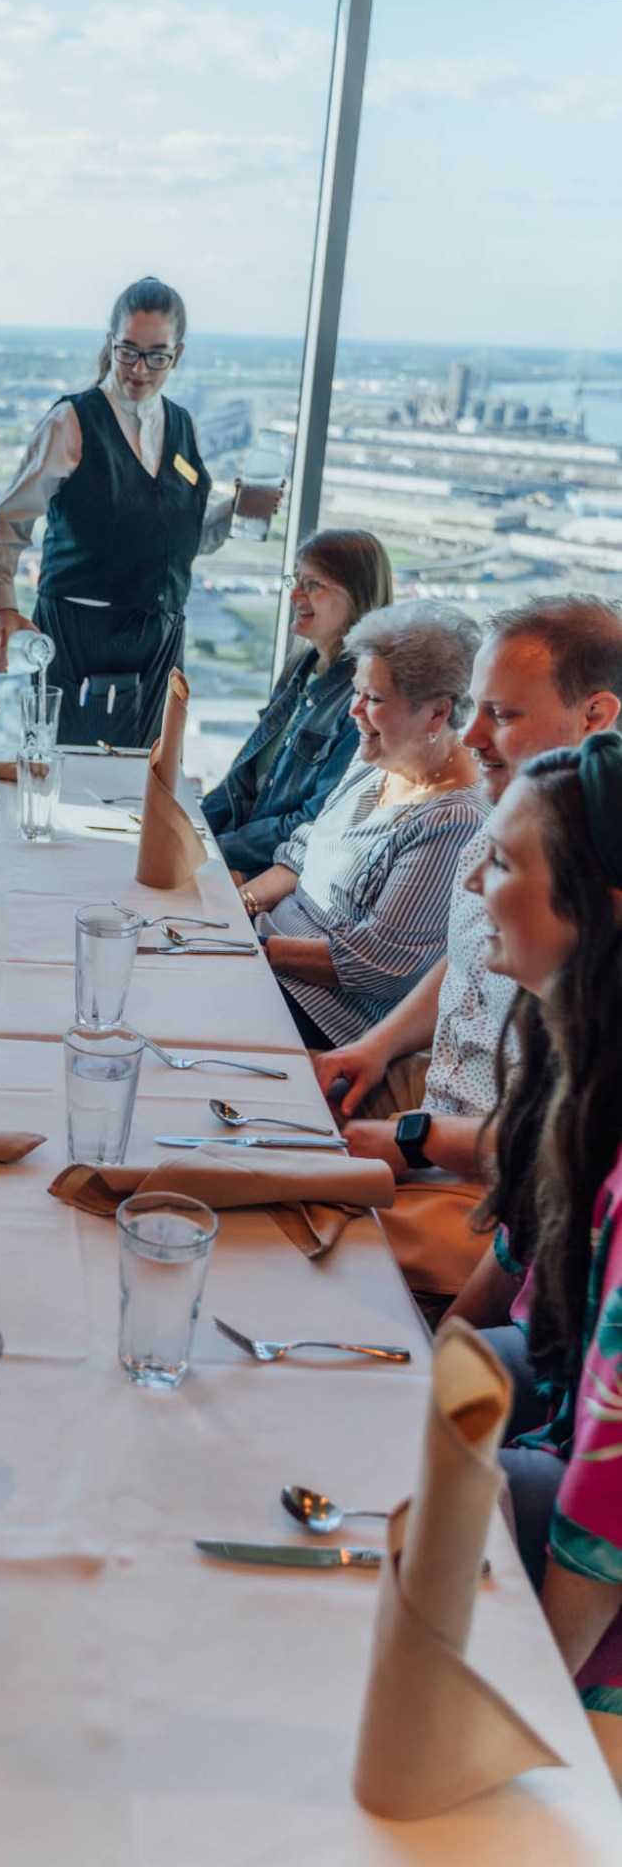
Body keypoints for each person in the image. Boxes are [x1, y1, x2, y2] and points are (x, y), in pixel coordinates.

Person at [315, 596, 622, 1304]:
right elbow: (470, 948)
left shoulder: (591, 871)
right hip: (435, 1103)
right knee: (253, 1098)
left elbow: (575, 1141)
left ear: (595, 717)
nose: (470, 734)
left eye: (503, 716)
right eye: (475, 708)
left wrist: (418, 1141)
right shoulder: (504, 804)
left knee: (287, 1236)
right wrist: (376, 1045)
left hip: (498, 1184)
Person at [440, 737, 622, 1755]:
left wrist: (524, 1708)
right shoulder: (580, 1049)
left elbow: (610, 1491)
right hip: (566, 1443)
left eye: (505, 864)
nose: (475, 880)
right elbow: (523, 1258)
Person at [0, 275, 277, 748]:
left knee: (145, 783)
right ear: (110, 344)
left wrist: (236, 510)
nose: (140, 368)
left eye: (157, 355)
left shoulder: (181, 425)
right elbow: (5, 524)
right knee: (72, 783)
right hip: (80, 638)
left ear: (178, 354)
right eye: (128, 350)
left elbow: (176, 542)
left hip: (160, 644)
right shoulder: (71, 422)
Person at [238, 601, 484, 1049]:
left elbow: (378, 965)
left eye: (373, 699)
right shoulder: (376, 758)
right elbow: (301, 854)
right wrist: (241, 904)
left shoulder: (455, 818)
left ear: (436, 713)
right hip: (266, 961)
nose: (354, 711)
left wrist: (252, 947)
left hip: (320, 1014)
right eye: (356, 692)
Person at [202, 530, 394, 877]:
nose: (294, 595)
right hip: (231, 854)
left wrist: (216, 848)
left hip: (268, 873)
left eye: (312, 584)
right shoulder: (300, 668)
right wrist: (194, 827)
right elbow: (241, 781)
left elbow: (314, 821)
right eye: (296, 580)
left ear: (356, 596)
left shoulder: (363, 701)